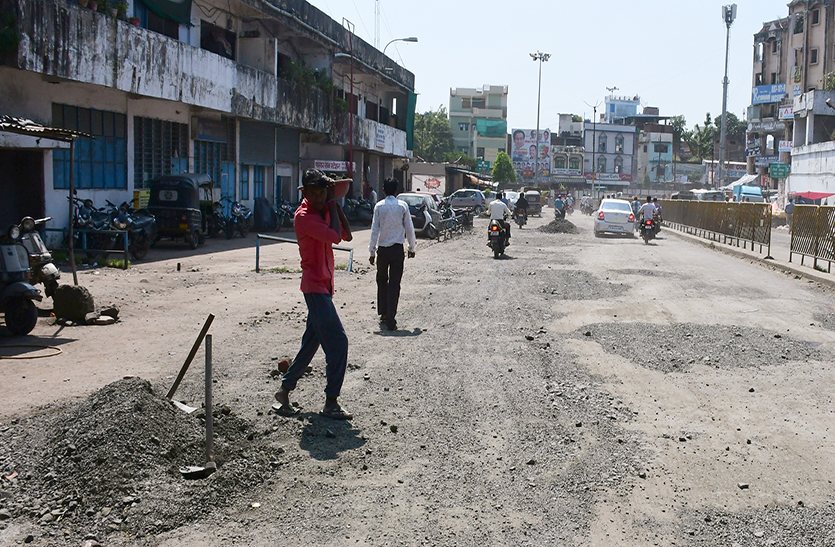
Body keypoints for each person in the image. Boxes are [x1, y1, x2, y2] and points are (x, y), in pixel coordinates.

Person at [273, 169, 354, 420]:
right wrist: (330, 203)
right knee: (339, 343)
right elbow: (334, 237)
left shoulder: (323, 212)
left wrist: (334, 203)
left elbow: (346, 234)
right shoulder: (304, 217)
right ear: (304, 193)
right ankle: (331, 402)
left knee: (310, 344)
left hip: (323, 288)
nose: (319, 197)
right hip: (315, 289)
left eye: (323, 192)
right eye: (315, 192)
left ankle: (284, 391)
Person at [368, 178, 416, 331]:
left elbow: (374, 230)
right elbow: (409, 228)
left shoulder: (379, 207)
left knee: (382, 281)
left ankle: (383, 312)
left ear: (383, 191)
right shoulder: (402, 206)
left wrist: (372, 251)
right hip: (397, 250)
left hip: (382, 251)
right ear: (397, 191)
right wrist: (411, 247)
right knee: (395, 284)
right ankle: (391, 317)